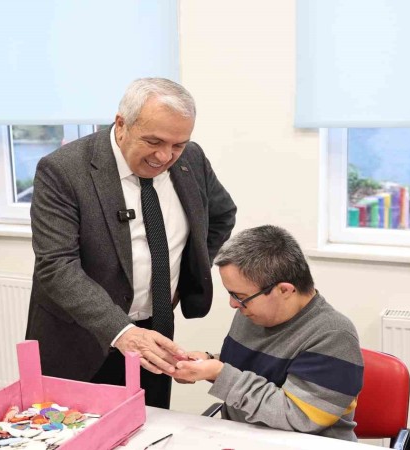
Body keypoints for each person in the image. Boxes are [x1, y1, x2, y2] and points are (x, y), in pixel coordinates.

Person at [25, 78, 237, 409]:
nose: (164, 156)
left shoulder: (191, 159)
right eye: (153, 141)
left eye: (178, 145)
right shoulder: (64, 170)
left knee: (149, 423)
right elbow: (56, 265)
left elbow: (222, 215)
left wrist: (186, 274)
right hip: (81, 337)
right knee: (77, 428)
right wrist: (122, 331)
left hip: (156, 331)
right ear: (122, 124)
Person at [172, 225, 363, 441]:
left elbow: (297, 417)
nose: (233, 304)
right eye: (231, 294)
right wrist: (206, 364)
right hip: (243, 437)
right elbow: (251, 370)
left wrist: (219, 373)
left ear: (284, 290)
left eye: (240, 296)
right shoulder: (252, 312)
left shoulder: (334, 335)